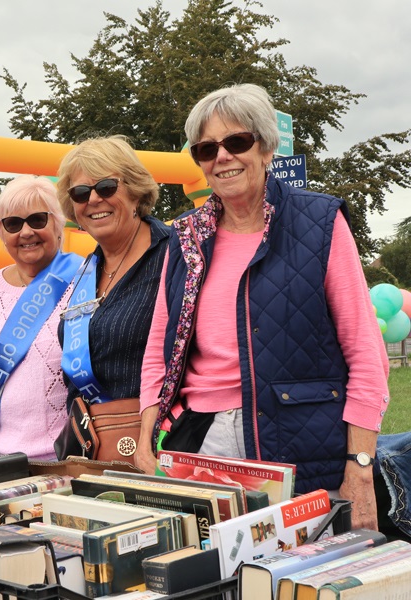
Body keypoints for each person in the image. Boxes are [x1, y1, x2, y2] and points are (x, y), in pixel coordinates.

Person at [134, 83, 389, 532]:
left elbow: (366, 353)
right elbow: (161, 346)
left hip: (301, 444)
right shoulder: (185, 238)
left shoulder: (320, 222)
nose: (222, 157)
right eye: (207, 149)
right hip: (203, 444)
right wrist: (145, 436)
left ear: (267, 147)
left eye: (237, 142)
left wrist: (360, 467)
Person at [55, 135, 171, 461]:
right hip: (95, 450)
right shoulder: (86, 272)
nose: (93, 199)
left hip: (162, 447)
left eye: (106, 187)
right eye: (80, 193)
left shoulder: (175, 256)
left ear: (135, 192)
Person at [0, 176, 82, 460]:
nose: (26, 232)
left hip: (68, 455)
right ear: (1, 233)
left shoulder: (85, 280)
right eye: (13, 224)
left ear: (58, 224)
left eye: (37, 220)